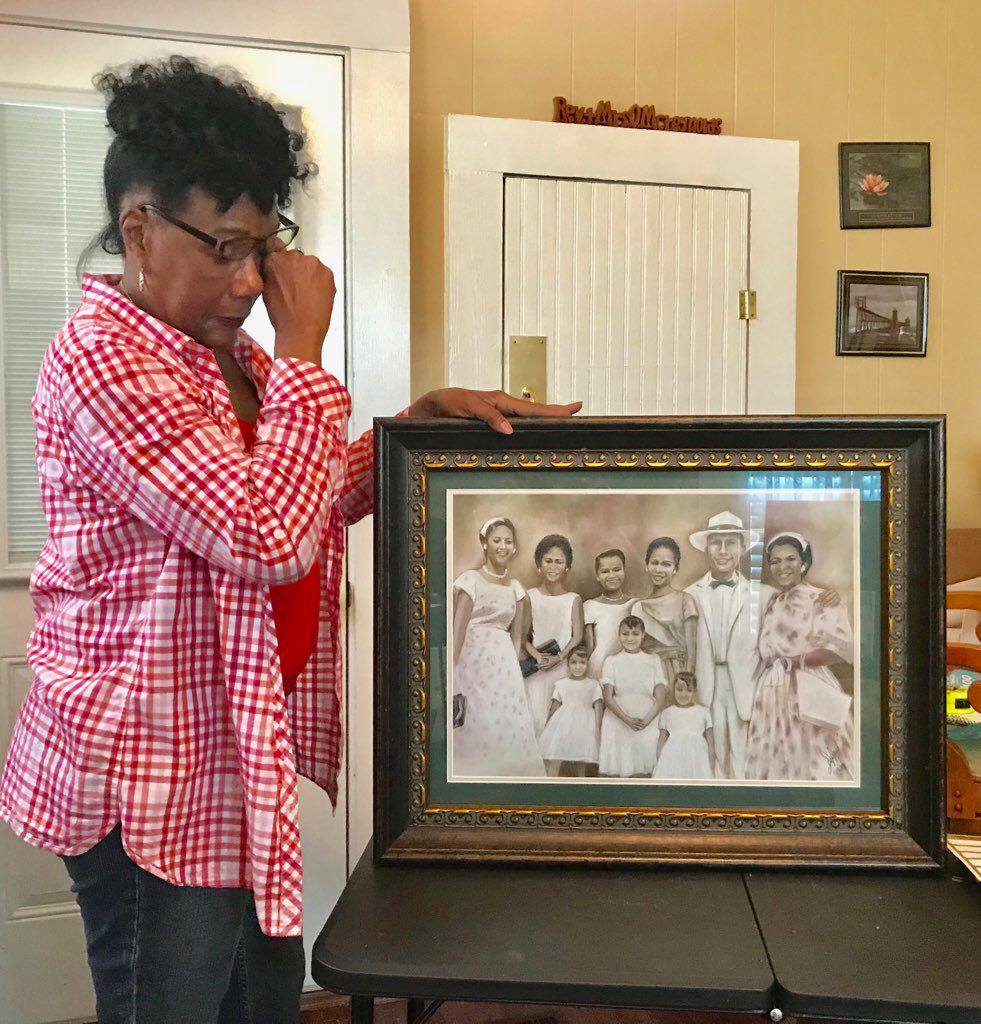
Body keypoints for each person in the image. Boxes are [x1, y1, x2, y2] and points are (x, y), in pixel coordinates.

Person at [0, 58, 579, 1024]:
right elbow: (261, 533)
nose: (248, 281)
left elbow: (294, 495)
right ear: (139, 230)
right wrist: (306, 351)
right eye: (225, 247)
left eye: (262, 249)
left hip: (232, 750)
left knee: (261, 998)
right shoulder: (104, 357)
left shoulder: (228, 359)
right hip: (152, 765)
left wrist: (410, 432)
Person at [744, 534, 855, 781]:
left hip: (808, 687)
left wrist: (796, 663)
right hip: (772, 691)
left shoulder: (821, 598)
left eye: (790, 559)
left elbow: (840, 650)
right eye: (775, 561)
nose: (782, 566)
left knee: (813, 760)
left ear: (803, 562)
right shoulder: (772, 601)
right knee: (776, 762)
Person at [452, 517, 542, 778]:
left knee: (505, 721)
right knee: (476, 719)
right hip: (472, 662)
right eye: (497, 540)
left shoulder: (516, 589)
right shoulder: (470, 580)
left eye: (508, 541)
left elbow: (517, 637)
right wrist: (452, 675)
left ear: (514, 547)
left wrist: (511, 672)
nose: (503, 546)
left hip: (503, 667)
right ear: (485, 543)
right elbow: (457, 631)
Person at [684, 511, 770, 780]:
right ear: (706, 548)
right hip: (705, 683)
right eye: (716, 543)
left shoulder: (763, 595)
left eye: (731, 542)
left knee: (744, 756)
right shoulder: (689, 594)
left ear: (742, 548)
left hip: (746, 684)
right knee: (711, 755)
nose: (723, 550)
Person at [523, 534, 584, 735]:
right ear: (539, 564)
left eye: (559, 562)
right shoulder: (529, 596)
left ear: (567, 567)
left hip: (562, 668)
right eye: (548, 561)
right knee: (535, 719)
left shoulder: (573, 599)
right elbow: (522, 637)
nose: (553, 567)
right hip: (536, 668)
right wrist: (538, 656)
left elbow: (577, 636)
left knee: (558, 724)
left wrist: (559, 657)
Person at [598, 616, 668, 777]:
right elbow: (608, 697)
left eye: (635, 634)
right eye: (625, 634)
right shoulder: (612, 661)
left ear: (643, 635)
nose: (630, 638)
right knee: (621, 765)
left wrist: (646, 721)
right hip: (620, 715)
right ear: (619, 635)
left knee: (647, 764)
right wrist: (628, 720)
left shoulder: (653, 660)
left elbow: (660, 698)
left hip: (647, 715)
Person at [631, 536, 699, 687]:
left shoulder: (685, 600)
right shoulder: (638, 607)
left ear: (675, 569)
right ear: (646, 565)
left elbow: (692, 652)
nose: (659, 569)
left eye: (666, 564)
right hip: (647, 675)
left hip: (678, 675)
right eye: (654, 563)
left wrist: (686, 683)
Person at [538, 645, 604, 777]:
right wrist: (547, 727)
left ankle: (581, 783)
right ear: (568, 664)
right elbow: (554, 707)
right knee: (556, 756)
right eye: (574, 662)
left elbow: (598, 708)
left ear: (587, 664)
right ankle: (550, 782)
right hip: (563, 724)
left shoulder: (593, 684)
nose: (578, 666)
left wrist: (598, 730)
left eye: (582, 663)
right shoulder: (561, 684)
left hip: (585, 725)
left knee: (581, 758)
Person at [582, 548, 634, 680]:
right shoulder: (590, 606)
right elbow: (590, 647)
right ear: (597, 576)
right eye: (605, 571)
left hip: (627, 666)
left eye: (616, 570)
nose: (611, 575)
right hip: (599, 667)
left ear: (624, 570)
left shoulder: (635, 604)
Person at [653, 672, 716, 780]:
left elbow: (711, 744)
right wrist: (660, 763)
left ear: (694, 692)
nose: (683, 694)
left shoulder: (703, 712)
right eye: (679, 690)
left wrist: (711, 768)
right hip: (673, 757)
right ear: (674, 690)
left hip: (698, 757)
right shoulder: (667, 712)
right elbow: (661, 740)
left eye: (689, 690)